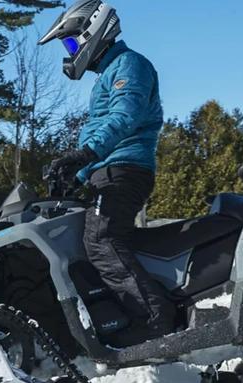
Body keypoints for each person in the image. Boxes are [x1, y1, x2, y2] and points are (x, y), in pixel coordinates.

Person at [38, 0, 176, 347]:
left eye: (70, 43)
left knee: (102, 240)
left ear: (93, 33)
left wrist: (83, 154)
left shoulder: (130, 65)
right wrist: (75, 173)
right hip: (107, 170)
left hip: (125, 170)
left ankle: (155, 320)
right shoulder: (109, 72)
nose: (69, 52)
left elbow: (123, 117)